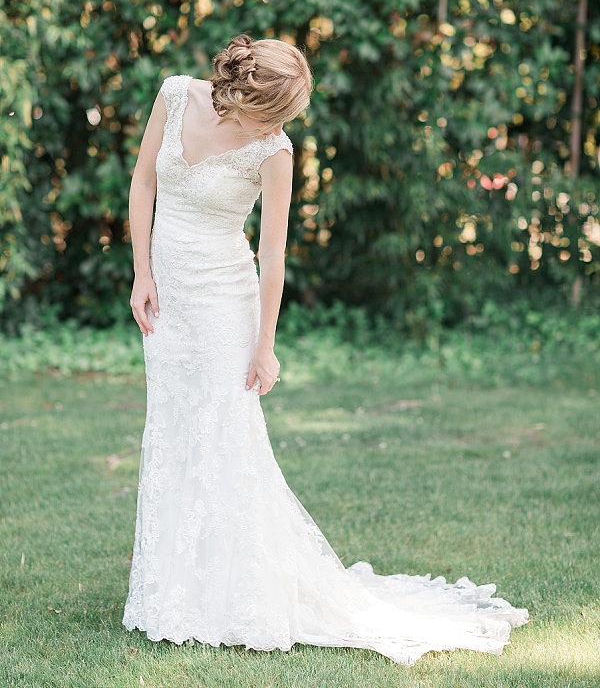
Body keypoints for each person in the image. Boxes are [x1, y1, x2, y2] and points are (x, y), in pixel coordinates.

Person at [123, 34, 528, 665]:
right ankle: (172, 593)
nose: (281, 125)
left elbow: (275, 254)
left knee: (224, 437)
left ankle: (234, 595)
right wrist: (142, 273)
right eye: (274, 111)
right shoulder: (175, 96)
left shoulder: (274, 151)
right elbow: (144, 183)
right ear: (245, 93)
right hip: (169, 302)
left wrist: (264, 346)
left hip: (225, 303)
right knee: (173, 431)